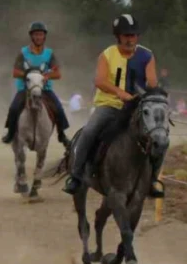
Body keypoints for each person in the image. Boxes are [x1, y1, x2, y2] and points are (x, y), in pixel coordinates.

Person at [62, 14, 164, 198]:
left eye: (133, 35)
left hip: (138, 107)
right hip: (109, 105)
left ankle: (153, 180)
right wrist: (120, 93)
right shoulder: (107, 55)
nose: (129, 39)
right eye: (125, 35)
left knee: (161, 137)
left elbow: (152, 81)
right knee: (89, 131)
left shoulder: (147, 55)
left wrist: (152, 89)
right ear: (117, 36)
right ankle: (76, 175)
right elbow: (100, 81)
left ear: (137, 37)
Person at [1, 22, 71, 146]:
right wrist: (28, 75)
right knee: (14, 108)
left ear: (44, 37)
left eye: (41, 35)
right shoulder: (23, 52)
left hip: (45, 89)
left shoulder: (49, 53)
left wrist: (46, 76)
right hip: (26, 88)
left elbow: (58, 74)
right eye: (36, 35)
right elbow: (15, 72)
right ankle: (10, 133)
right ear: (32, 37)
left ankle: (62, 135)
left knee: (59, 108)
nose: (39, 37)